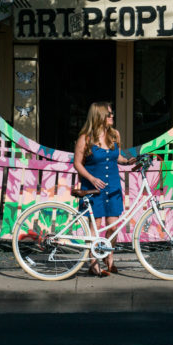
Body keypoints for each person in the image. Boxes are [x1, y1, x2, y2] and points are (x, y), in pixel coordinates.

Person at [73, 101, 136, 276]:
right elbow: (77, 164)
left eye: (112, 114)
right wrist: (92, 178)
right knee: (96, 225)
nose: (112, 117)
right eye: (109, 114)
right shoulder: (85, 138)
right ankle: (94, 263)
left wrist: (127, 161)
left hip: (113, 186)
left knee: (113, 225)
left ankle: (109, 256)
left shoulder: (114, 134)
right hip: (93, 187)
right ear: (99, 116)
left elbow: (118, 157)